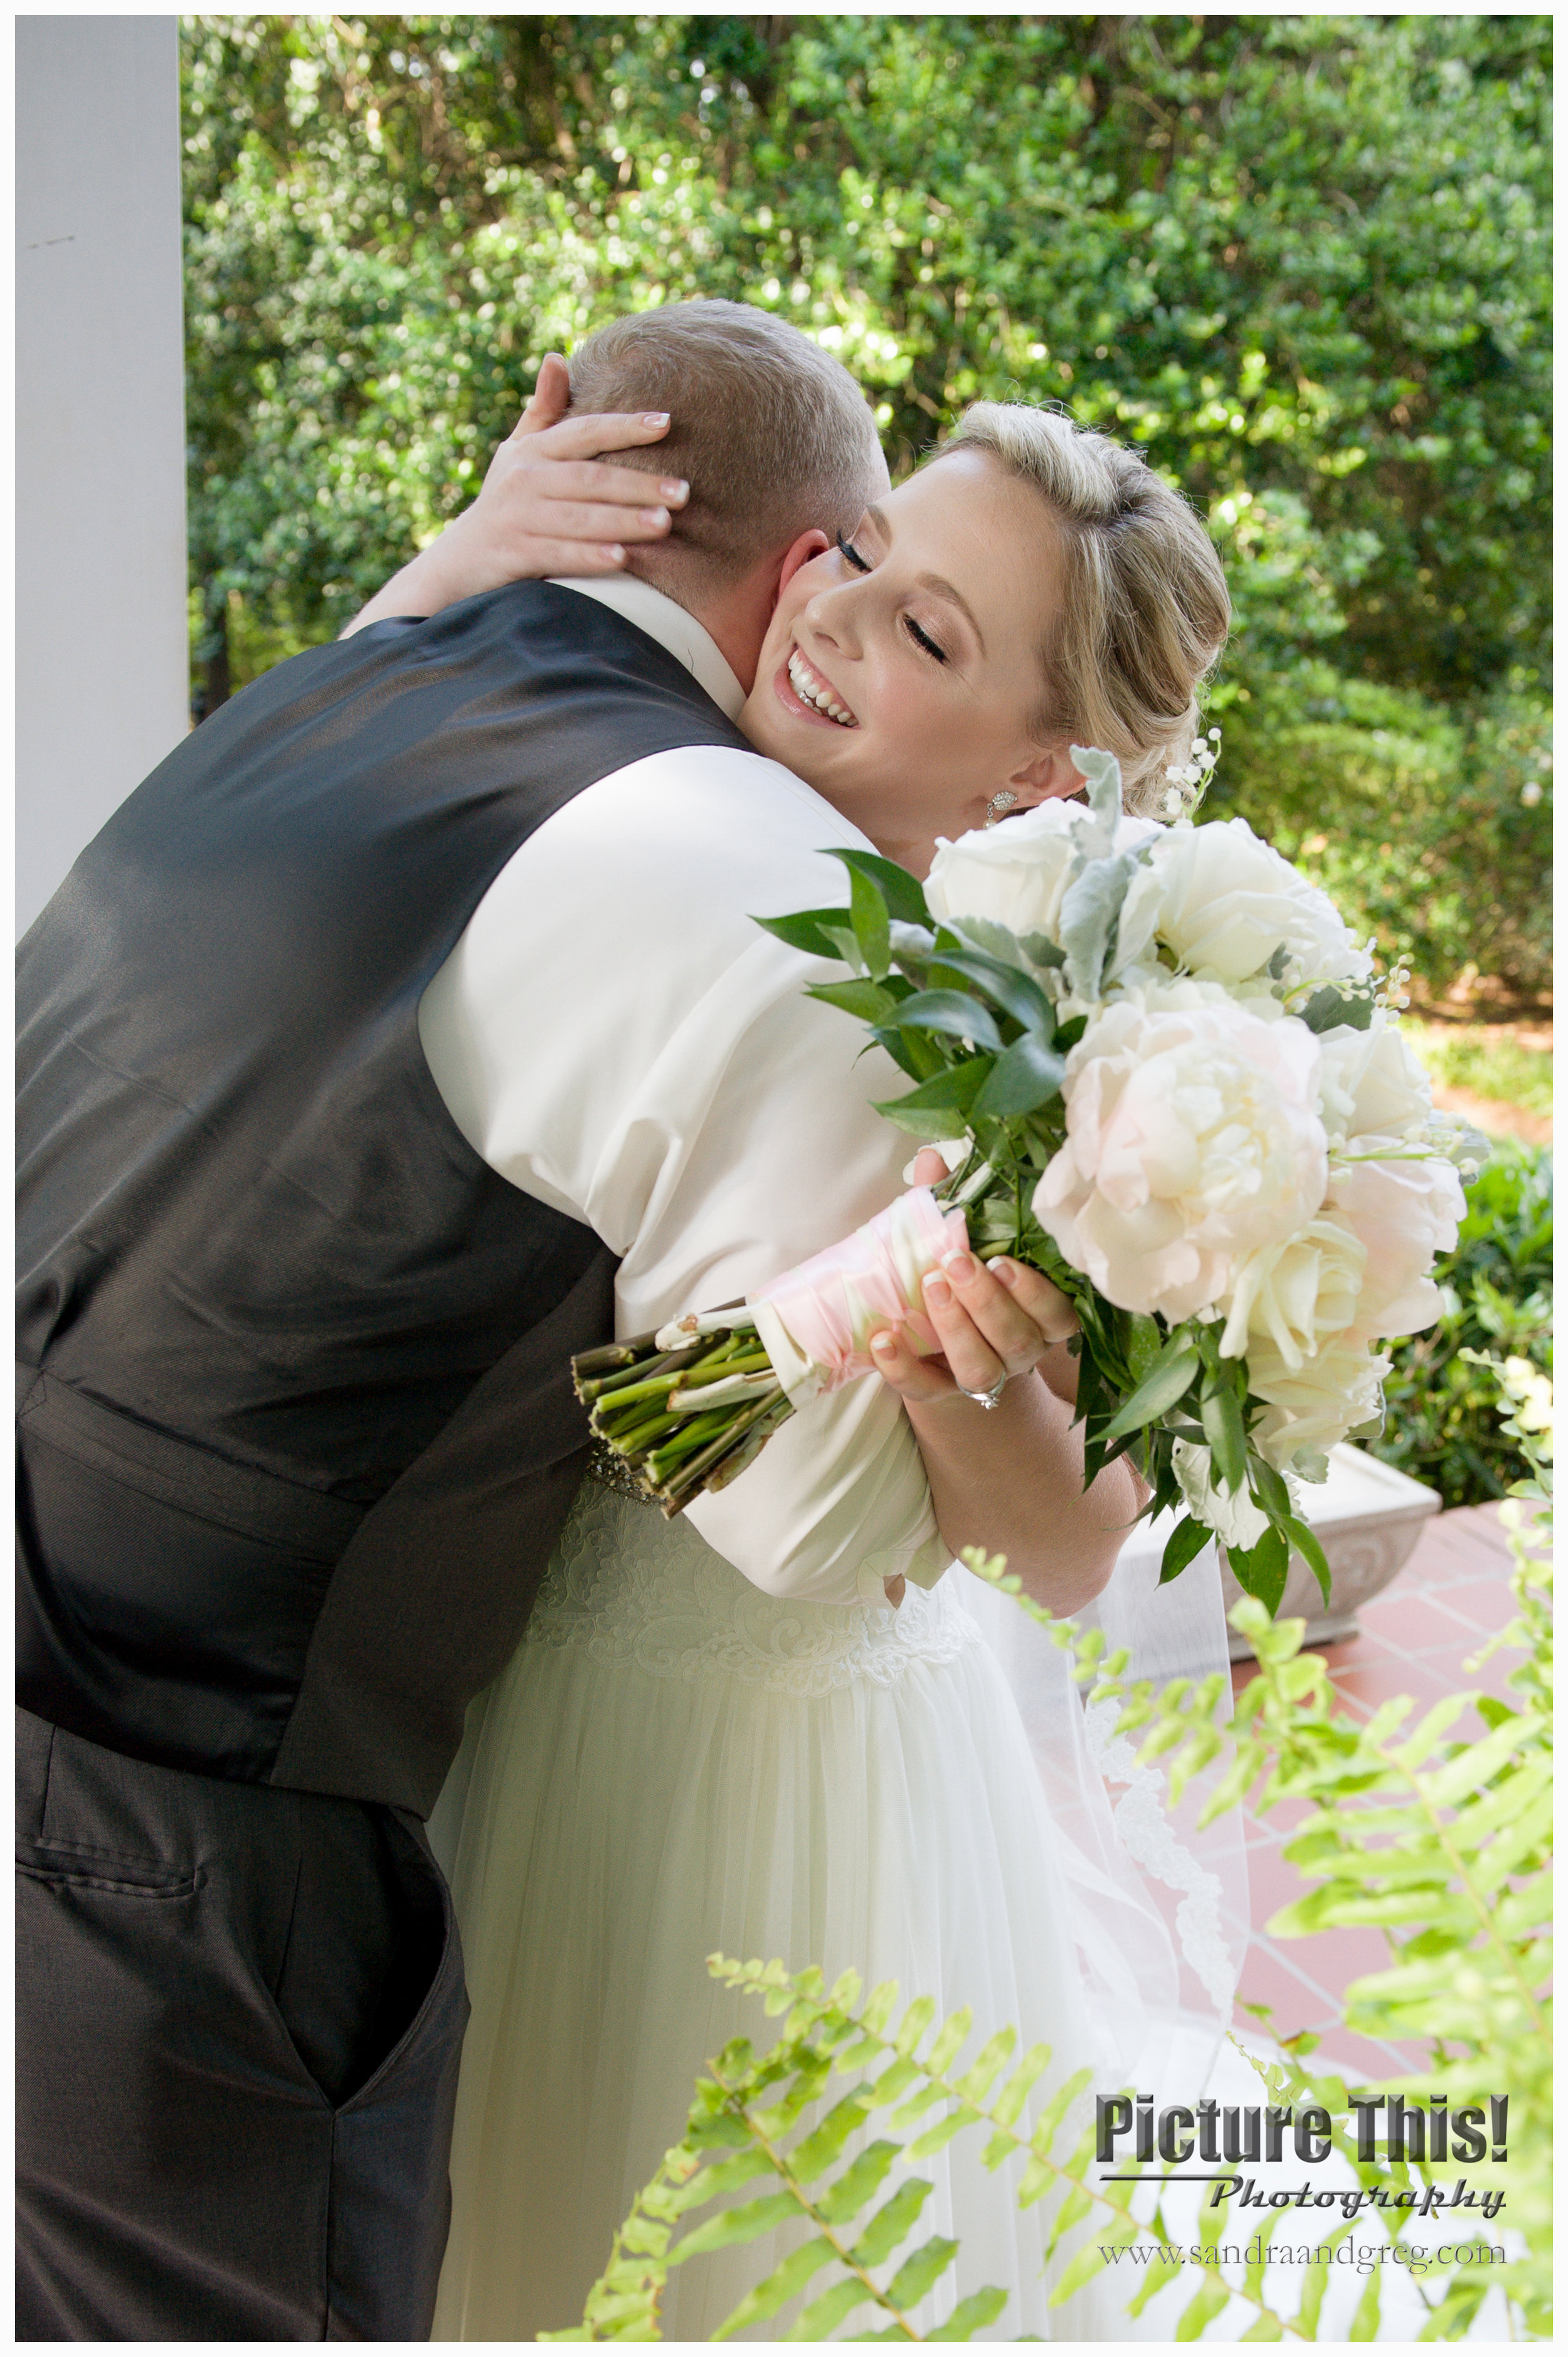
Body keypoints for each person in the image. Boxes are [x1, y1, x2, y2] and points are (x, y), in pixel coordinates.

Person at [16, 300, 908, 2341]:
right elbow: (805, 1531)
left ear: (548, 453)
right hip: (193, 1840)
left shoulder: (313, 700)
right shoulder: (724, 849)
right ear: (811, 568)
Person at [359, 372, 1232, 2336]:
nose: (830, 614)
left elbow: (1072, 1545)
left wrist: (966, 1358)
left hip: (803, 1776)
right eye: (862, 556)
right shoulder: (645, 835)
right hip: (529, 1719)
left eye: (927, 632)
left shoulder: (1067, 1063)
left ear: (1034, 782)